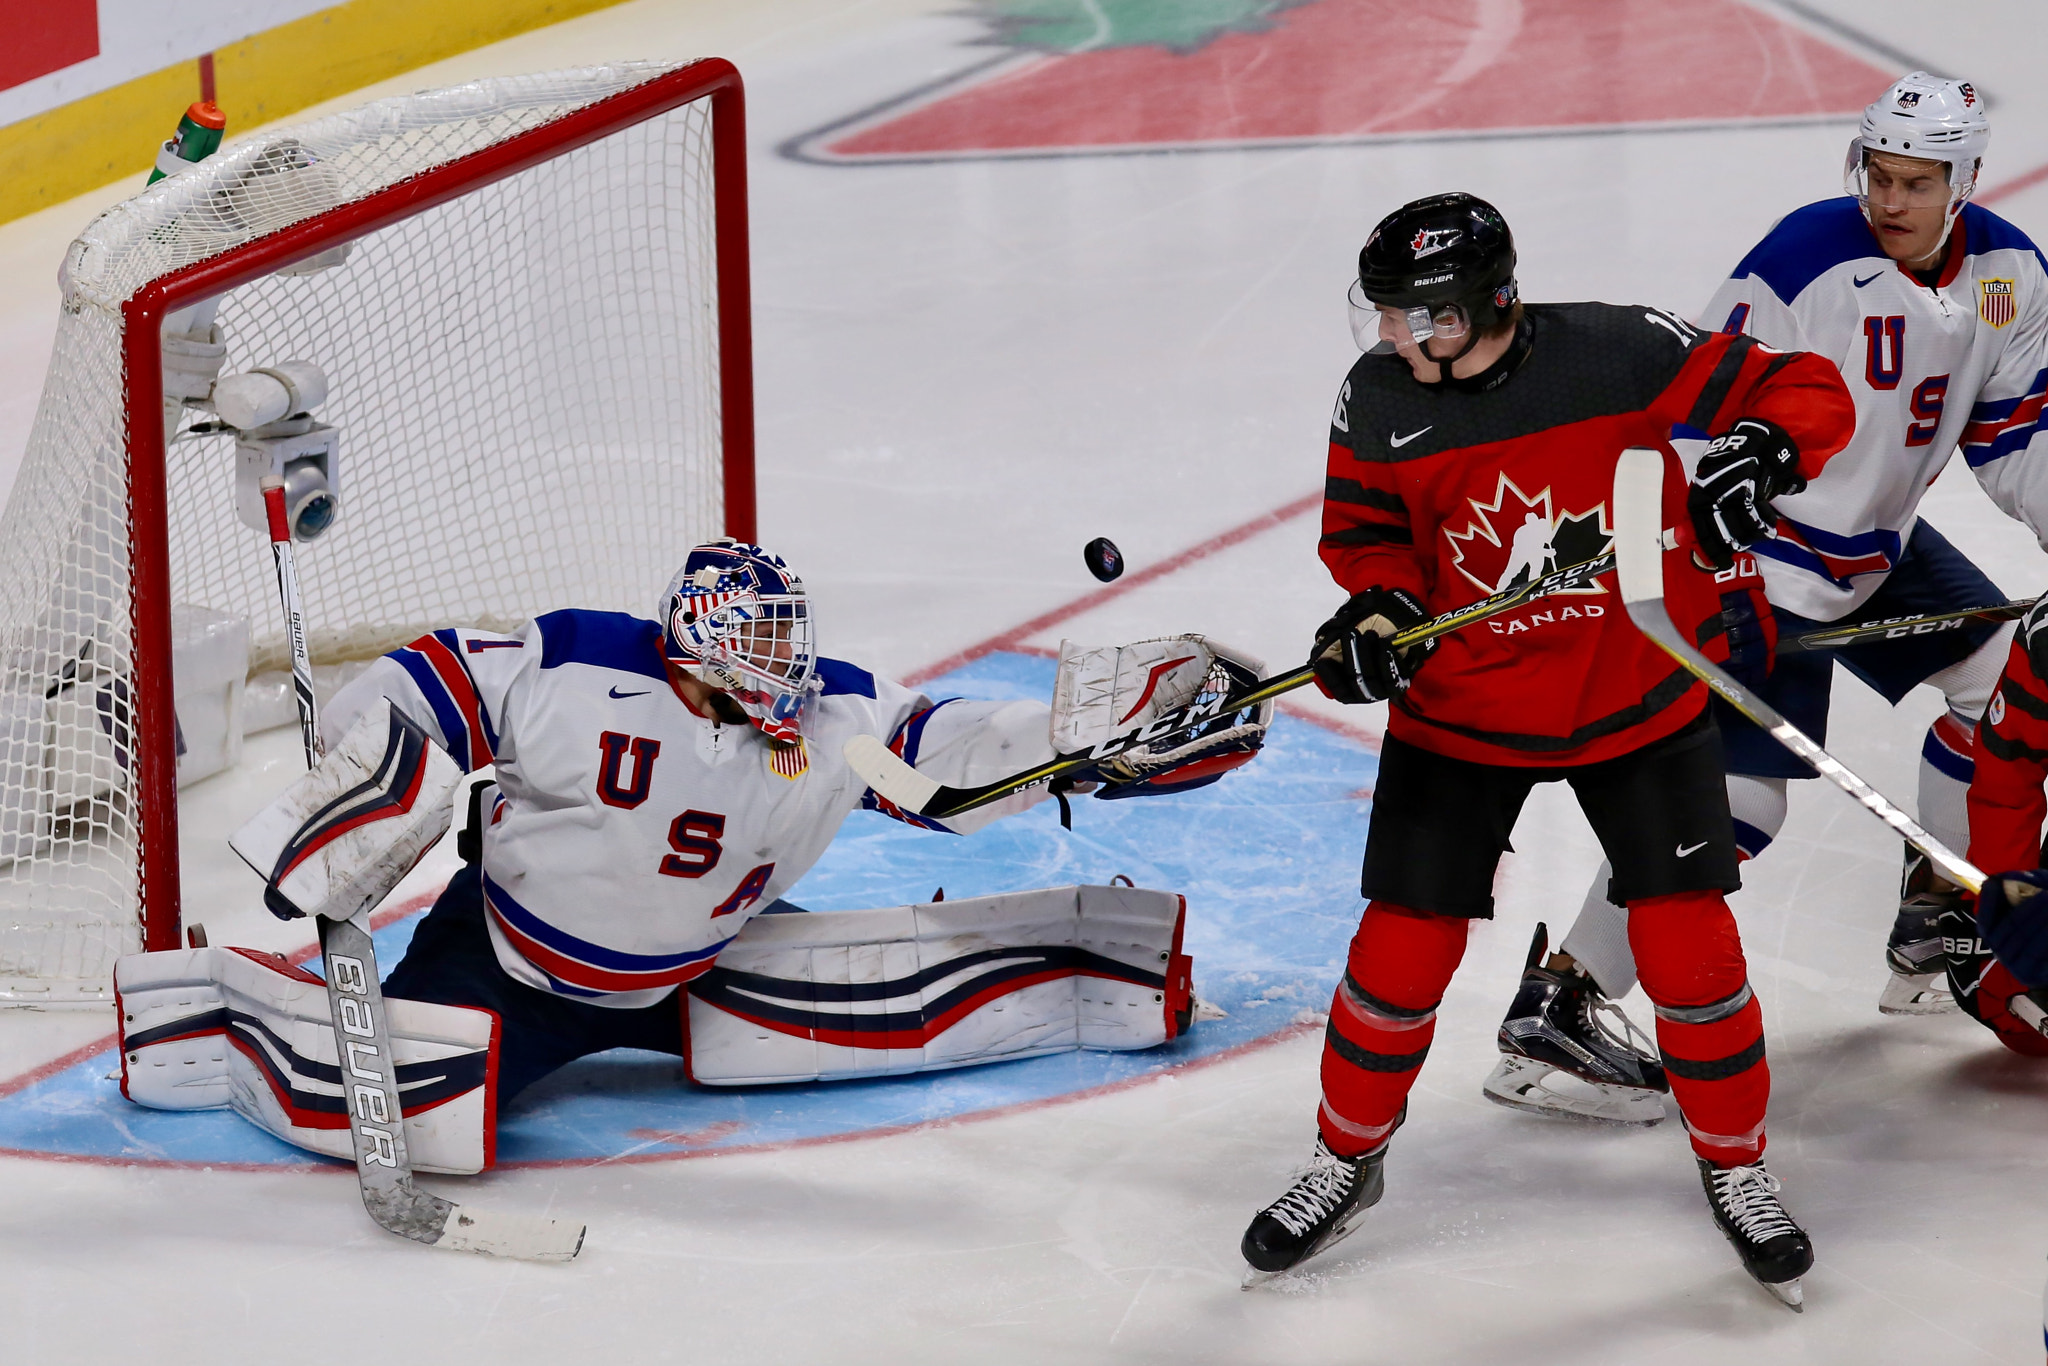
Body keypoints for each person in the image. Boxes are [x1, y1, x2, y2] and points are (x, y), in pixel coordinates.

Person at [115, 540, 1270, 1162]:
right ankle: (237, 1010)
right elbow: (433, 681)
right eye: (756, 652)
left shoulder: (830, 723)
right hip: (505, 966)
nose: (784, 674)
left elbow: (944, 765)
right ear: (694, 647)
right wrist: (342, 828)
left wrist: (1078, 739)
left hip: (698, 968)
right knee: (414, 1121)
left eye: (789, 647)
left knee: (891, 1006)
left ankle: (1093, 966)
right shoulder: (575, 665)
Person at [1238, 192, 1854, 1308]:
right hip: (1461, 714)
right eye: (1382, 316)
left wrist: (1761, 450)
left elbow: (1800, 387)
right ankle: (1344, 1158)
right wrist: (1374, 613)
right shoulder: (1377, 394)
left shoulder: (1617, 349)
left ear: (1491, 305)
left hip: (1636, 687)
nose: (1391, 338)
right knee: (1397, 953)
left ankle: (1738, 1167)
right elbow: (1369, 534)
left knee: (1689, 950)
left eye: (1418, 318)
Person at [1492, 70, 2048, 1109]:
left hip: (1869, 550)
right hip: (1754, 559)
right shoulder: (1806, 255)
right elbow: (1698, 394)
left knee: (1992, 677)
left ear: (1963, 179)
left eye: (1916, 181)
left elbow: (2018, 441)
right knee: (1738, 801)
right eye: (1877, 175)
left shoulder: (2007, 275)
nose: (1889, 199)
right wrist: (1697, 507)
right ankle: (1556, 1003)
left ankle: (1938, 904)